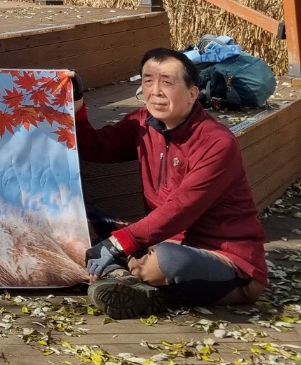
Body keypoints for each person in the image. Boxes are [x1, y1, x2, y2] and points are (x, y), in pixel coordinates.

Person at [76, 48, 267, 319]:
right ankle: (130, 283)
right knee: (81, 218)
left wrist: (117, 244)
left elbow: (180, 209)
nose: (155, 91)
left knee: (165, 260)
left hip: (224, 259)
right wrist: (77, 102)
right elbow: (96, 148)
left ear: (192, 93)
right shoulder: (142, 123)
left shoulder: (217, 143)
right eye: (148, 81)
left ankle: (127, 279)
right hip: (160, 240)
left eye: (167, 82)